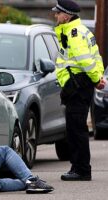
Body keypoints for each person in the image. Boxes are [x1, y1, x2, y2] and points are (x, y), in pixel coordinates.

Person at [52, 0, 106, 181]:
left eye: (58, 13)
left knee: (77, 130)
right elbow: (96, 56)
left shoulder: (74, 34)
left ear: (66, 16)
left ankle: (81, 170)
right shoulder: (80, 31)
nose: (56, 16)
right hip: (79, 86)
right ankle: (78, 167)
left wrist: (96, 79)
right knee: (76, 128)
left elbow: (85, 60)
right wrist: (97, 77)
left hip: (77, 87)